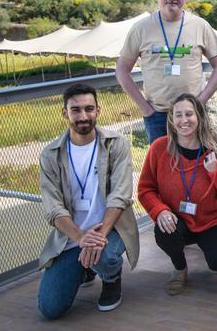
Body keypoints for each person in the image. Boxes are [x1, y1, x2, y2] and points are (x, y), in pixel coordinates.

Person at [37, 84, 139, 319]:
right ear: (65, 113)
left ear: (98, 110)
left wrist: (99, 235)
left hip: (110, 229)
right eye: (75, 110)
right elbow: (53, 208)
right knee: (50, 309)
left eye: (89, 109)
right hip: (72, 236)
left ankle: (111, 277)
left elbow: (121, 195)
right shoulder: (50, 154)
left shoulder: (116, 144)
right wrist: (81, 237)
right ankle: (84, 268)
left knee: (106, 258)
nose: (83, 116)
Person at [137, 93, 217, 295]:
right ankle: (179, 268)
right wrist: (160, 211)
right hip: (177, 219)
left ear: (199, 117)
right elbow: (145, 189)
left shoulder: (216, 146)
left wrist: (215, 172)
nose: (184, 120)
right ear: (172, 120)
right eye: (178, 115)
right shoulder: (160, 148)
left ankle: (206, 244)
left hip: (211, 219)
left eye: (189, 114)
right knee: (164, 229)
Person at [117, 0, 217, 143]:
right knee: (162, 167)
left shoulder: (200, 26)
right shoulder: (141, 28)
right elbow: (122, 70)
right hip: (157, 115)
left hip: (192, 114)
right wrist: (145, 108)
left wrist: (201, 102)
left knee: (195, 164)